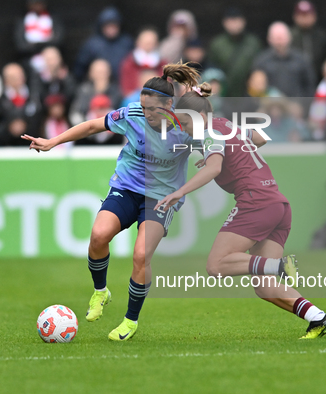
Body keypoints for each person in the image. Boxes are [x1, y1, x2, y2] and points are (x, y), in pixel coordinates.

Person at [22, 63, 203, 341]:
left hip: (161, 198)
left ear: (170, 104)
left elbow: (217, 141)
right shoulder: (132, 114)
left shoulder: (187, 125)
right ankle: (100, 291)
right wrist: (53, 141)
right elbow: (94, 125)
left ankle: (130, 321)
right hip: (127, 187)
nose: (146, 114)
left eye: (153, 109)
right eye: (143, 108)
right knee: (98, 236)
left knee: (141, 256)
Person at [156, 85, 326, 339]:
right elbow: (260, 138)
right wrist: (227, 153)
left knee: (216, 265)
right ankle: (318, 318)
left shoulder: (209, 131)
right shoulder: (225, 125)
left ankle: (279, 265)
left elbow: (214, 169)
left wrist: (179, 191)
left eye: (185, 123)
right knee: (264, 285)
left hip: (256, 202)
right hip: (277, 203)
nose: (184, 128)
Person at [208, 7, 261, 98]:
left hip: (249, 93)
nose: (234, 24)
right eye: (231, 21)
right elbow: (211, 68)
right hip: (224, 94)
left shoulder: (253, 43)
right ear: (224, 23)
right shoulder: (217, 44)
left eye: (237, 20)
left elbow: (260, 66)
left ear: (243, 22)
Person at [253, 21, 315, 97]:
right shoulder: (261, 62)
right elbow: (255, 88)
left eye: (282, 37)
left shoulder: (302, 60)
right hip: (270, 105)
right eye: (276, 38)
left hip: (298, 106)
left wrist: (303, 105)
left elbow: (310, 86)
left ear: (289, 37)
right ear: (269, 39)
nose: (279, 42)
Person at [73, 6, 133, 81]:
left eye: (114, 25)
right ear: (101, 26)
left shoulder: (127, 42)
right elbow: (80, 67)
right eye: (108, 25)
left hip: (121, 86)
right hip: (97, 86)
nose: (111, 28)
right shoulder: (91, 44)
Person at [290, 1, 326, 81]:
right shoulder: (290, 36)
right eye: (302, 15)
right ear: (295, 17)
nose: (305, 19)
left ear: (314, 16)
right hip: (296, 81)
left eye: (308, 15)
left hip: (319, 80)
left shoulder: (322, 36)